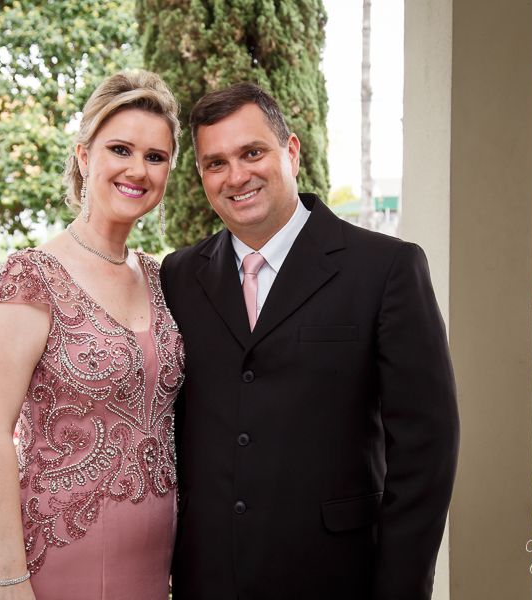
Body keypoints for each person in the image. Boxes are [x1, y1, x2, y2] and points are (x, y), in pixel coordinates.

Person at [160, 82, 460, 599]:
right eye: (216, 163)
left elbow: (426, 451)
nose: (237, 176)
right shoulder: (178, 277)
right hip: (206, 579)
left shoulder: (385, 268)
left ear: (291, 151)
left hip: (337, 578)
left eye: (252, 152)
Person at [0, 70, 185, 600]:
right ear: (85, 156)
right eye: (120, 149)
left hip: (160, 557)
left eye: (155, 157)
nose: (138, 169)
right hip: (65, 555)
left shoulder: (160, 277)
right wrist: (9, 575)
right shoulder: (33, 276)